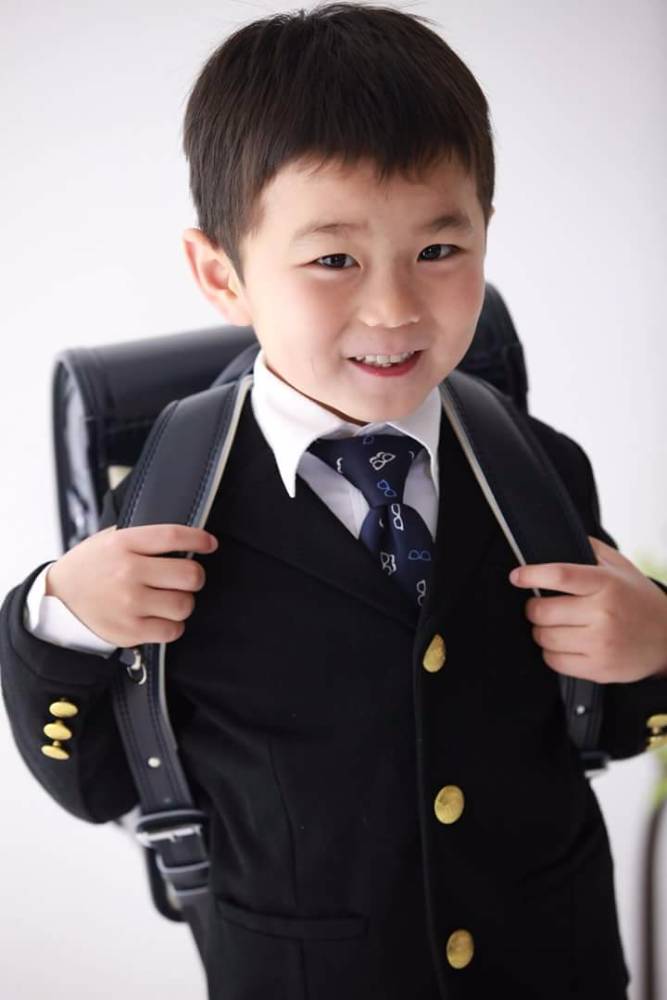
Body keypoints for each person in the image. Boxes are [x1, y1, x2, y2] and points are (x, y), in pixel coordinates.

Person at [1, 3, 666, 998]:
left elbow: (593, 723)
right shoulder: (167, 509)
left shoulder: (534, 467)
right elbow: (96, 783)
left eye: (438, 251)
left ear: (485, 234)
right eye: (332, 259)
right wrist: (59, 616)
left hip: (553, 963)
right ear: (221, 273)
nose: (393, 309)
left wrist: (655, 645)